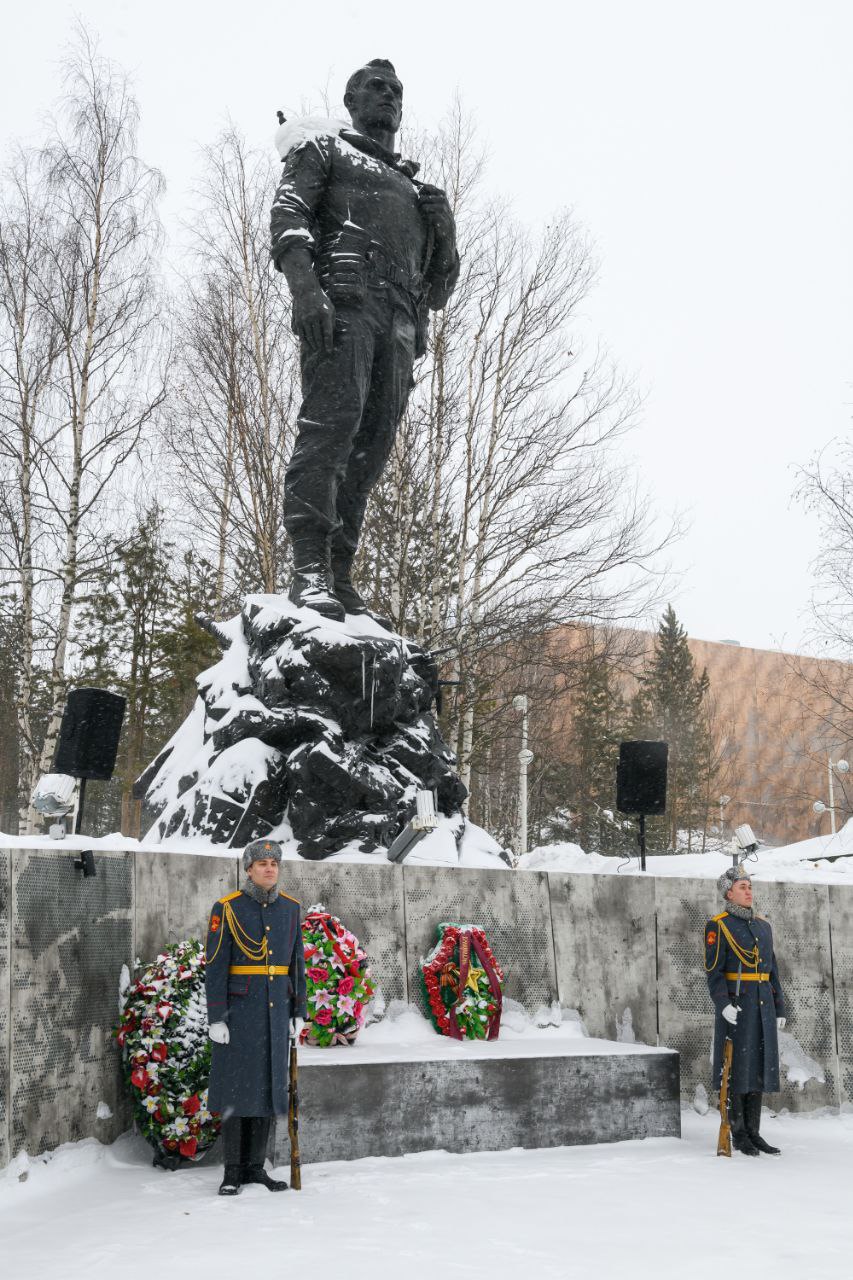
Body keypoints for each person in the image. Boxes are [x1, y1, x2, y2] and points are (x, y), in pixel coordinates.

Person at [270, 58, 460, 621]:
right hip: (344, 308)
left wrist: (444, 229)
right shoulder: (324, 151)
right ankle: (309, 568)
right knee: (330, 431)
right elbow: (290, 220)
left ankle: (340, 571)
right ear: (351, 101)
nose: (389, 96)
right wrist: (306, 292)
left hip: (400, 326)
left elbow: (440, 287)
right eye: (376, 88)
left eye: (397, 90)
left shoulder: (417, 189)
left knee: (372, 448)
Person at [205, 838, 307, 1194]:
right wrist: (216, 1016)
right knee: (236, 1092)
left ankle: (254, 1168)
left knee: (267, 1091)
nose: (269, 868)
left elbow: (296, 965)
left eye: (274, 864)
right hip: (238, 1014)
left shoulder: (291, 909)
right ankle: (232, 1170)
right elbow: (216, 966)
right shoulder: (228, 908)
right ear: (248, 869)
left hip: (276, 1014)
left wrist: (299, 1011)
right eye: (261, 863)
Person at [704, 865, 787, 1156]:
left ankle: (754, 1132)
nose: (749, 891)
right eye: (742, 887)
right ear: (729, 893)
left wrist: (779, 1007)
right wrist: (723, 1005)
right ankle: (737, 1132)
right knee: (737, 1069)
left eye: (750, 886)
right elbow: (714, 973)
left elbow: (772, 970)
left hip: (762, 1005)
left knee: (760, 1068)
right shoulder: (719, 925)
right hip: (738, 1006)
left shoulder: (763, 926)